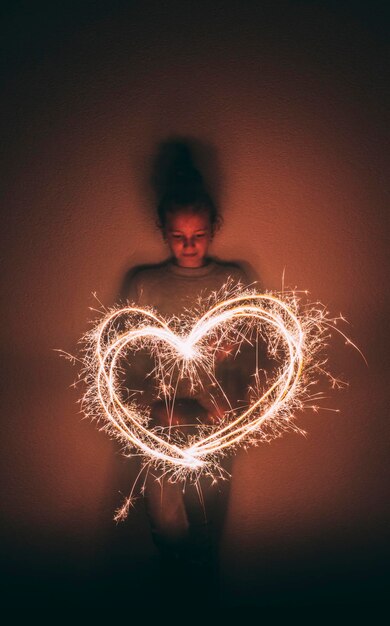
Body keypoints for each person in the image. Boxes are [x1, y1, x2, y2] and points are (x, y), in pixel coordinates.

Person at [121, 158, 255, 603]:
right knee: (166, 528)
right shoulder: (144, 285)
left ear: (214, 228)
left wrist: (231, 366)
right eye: (178, 236)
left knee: (204, 531)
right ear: (163, 231)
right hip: (164, 426)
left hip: (216, 430)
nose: (189, 246)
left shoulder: (233, 282)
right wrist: (164, 408)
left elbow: (252, 363)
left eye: (198, 235)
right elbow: (127, 369)